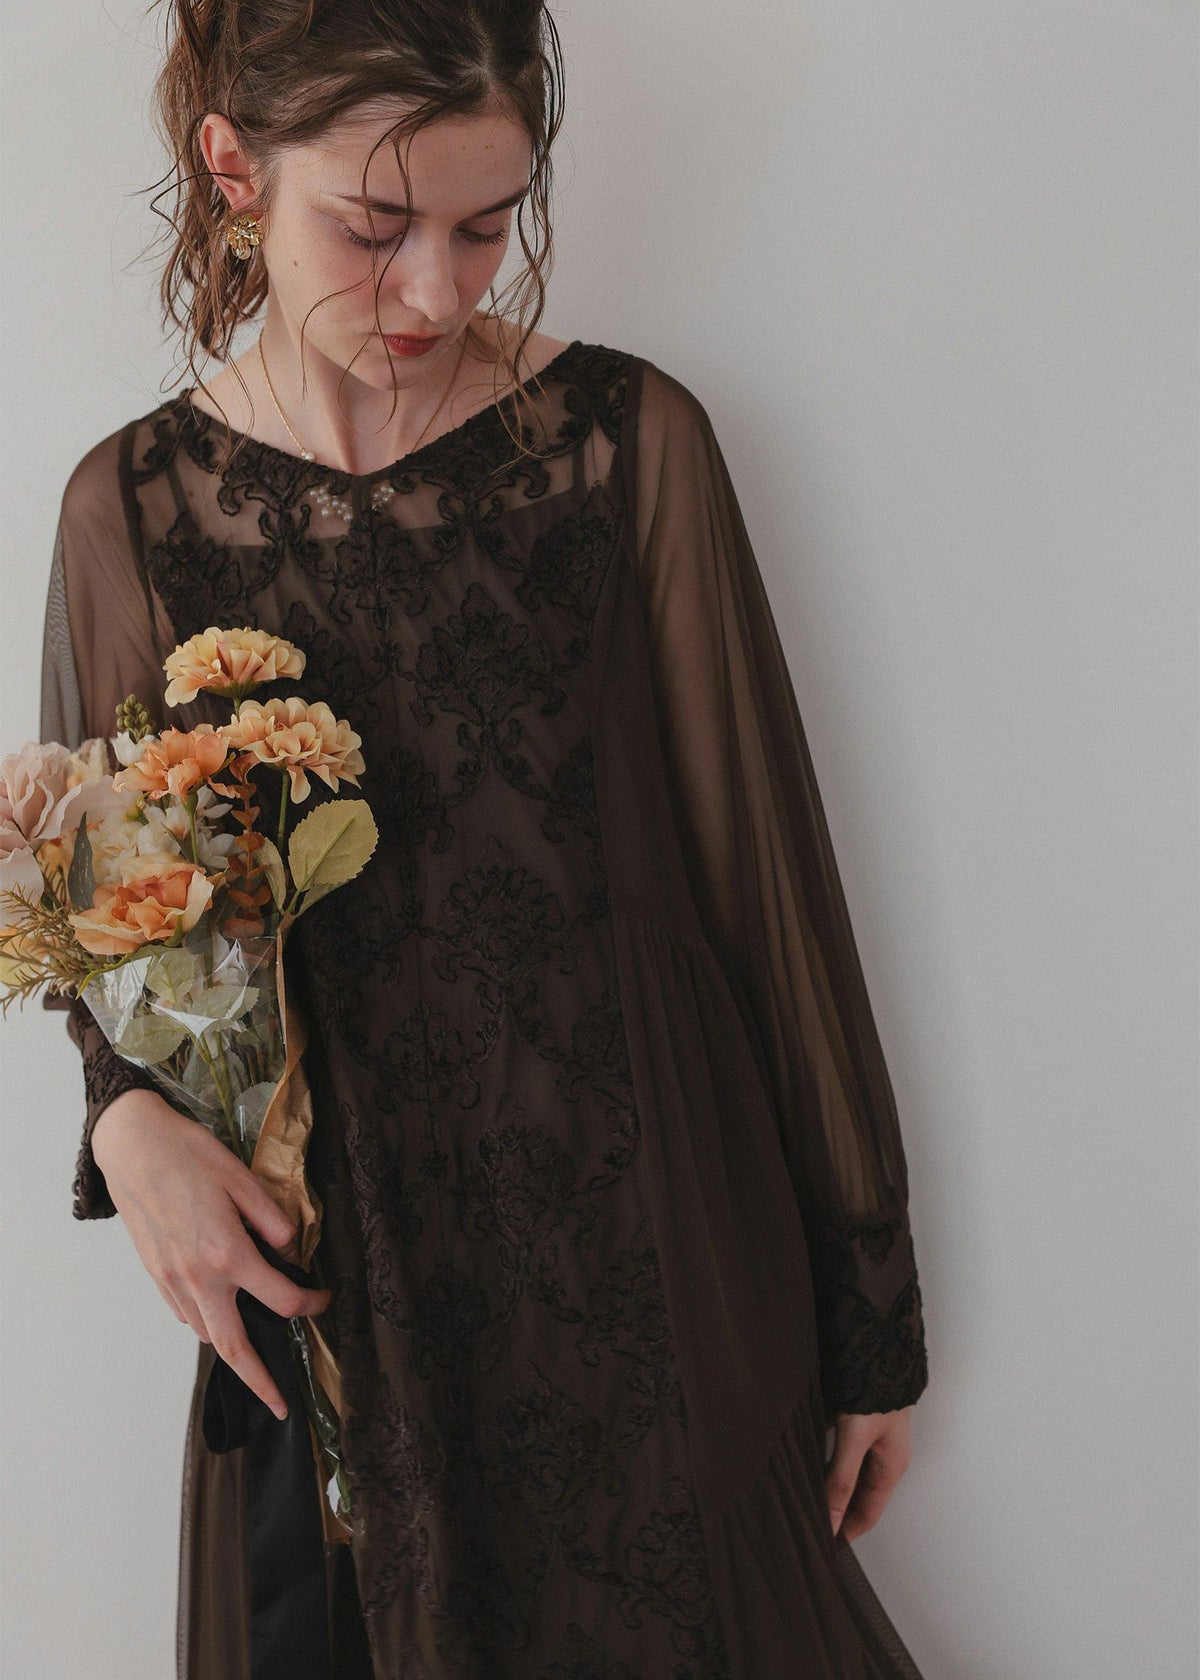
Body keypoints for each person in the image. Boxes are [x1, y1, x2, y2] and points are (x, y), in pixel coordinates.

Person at [39, 0, 931, 1674]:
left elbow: (769, 898)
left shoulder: (626, 448)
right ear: (233, 170)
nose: (439, 290)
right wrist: (126, 1126)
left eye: (486, 224)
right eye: (376, 227)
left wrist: (871, 1313)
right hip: (350, 1302)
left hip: (659, 1258)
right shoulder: (134, 516)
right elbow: (126, 943)